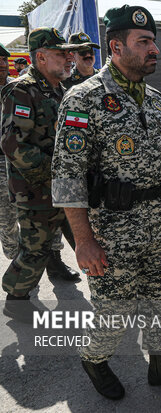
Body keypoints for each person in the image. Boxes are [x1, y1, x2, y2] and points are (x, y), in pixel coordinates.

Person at [51, 5, 161, 400]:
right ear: (117, 47)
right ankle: (94, 358)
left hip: (155, 218)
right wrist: (83, 240)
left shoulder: (152, 98)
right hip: (110, 225)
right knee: (115, 309)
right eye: (144, 42)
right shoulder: (82, 100)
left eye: (153, 41)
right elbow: (67, 176)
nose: (154, 49)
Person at [1, 28, 84, 322]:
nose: (69, 58)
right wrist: (56, 174)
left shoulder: (60, 90)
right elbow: (13, 144)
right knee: (35, 249)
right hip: (35, 189)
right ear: (41, 57)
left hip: (66, 188)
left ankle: (108, 293)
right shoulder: (22, 90)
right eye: (61, 53)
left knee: (85, 238)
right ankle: (16, 298)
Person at [0, 43, 19, 260]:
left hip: (20, 160)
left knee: (34, 214)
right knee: (5, 218)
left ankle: (52, 258)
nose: (2, 65)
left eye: (4, 61)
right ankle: (15, 259)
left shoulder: (18, 89)